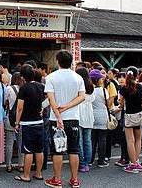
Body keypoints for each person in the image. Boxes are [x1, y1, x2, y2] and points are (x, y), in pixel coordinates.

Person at [44, 50, 85, 188]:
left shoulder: (51, 77)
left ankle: (57, 179)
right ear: (71, 61)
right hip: (73, 118)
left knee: (57, 150)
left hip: (56, 119)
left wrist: (58, 115)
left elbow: (51, 98)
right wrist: (67, 107)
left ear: (57, 61)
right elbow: (82, 97)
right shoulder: (78, 77)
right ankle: (74, 179)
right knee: (74, 149)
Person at [14, 65, 45, 183]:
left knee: (28, 150)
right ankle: (38, 173)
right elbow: (49, 98)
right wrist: (42, 108)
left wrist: (17, 122)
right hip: (39, 121)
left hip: (27, 123)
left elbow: (20, 108)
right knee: (39, 149)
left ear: (22, 76)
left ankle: (26, 175)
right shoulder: (41, 86)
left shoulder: (24, 88)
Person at [119, 66, 142, 173]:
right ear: (137, 75)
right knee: (138, 139)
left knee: (130, 140)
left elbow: (121, 103)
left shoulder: (123, 88)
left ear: (127, 75)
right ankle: (137, 162)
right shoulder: (141, 87)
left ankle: (133, 163)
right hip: (139, 115)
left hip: (129, 116)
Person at [76, 67, 95, 173]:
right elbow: (92, 99)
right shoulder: (91, 86)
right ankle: (87, 163)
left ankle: (82, 163)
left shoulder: (78, 86)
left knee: (79, 141)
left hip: (79, 114)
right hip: (89, 115)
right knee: (87, 140)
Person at [89, 69, 109, 167]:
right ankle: (101, 160)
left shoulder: (89, 91)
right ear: (99, 80)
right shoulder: (104, 91)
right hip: (102, 116)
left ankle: (90, 159)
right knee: (102, 139)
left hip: (92, 116)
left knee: (92, 139)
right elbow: (108, 103)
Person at [5, 72, 24, 173]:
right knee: (21, 143)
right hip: (22, 119)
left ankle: (8, 165)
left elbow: (5, 102)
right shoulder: (24, 88)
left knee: (9, 143)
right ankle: (21, 165)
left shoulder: (8, 89)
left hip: (10, 118)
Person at [114, 72, 130, 168]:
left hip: (127, 115)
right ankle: (124, 157)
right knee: (124, 138)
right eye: (119, 77)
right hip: (125, 114)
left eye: (123, 77)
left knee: (125, 138)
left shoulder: (125, 89)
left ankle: (126, 158)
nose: (121, 79)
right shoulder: (121, 89)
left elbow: (121, 103)